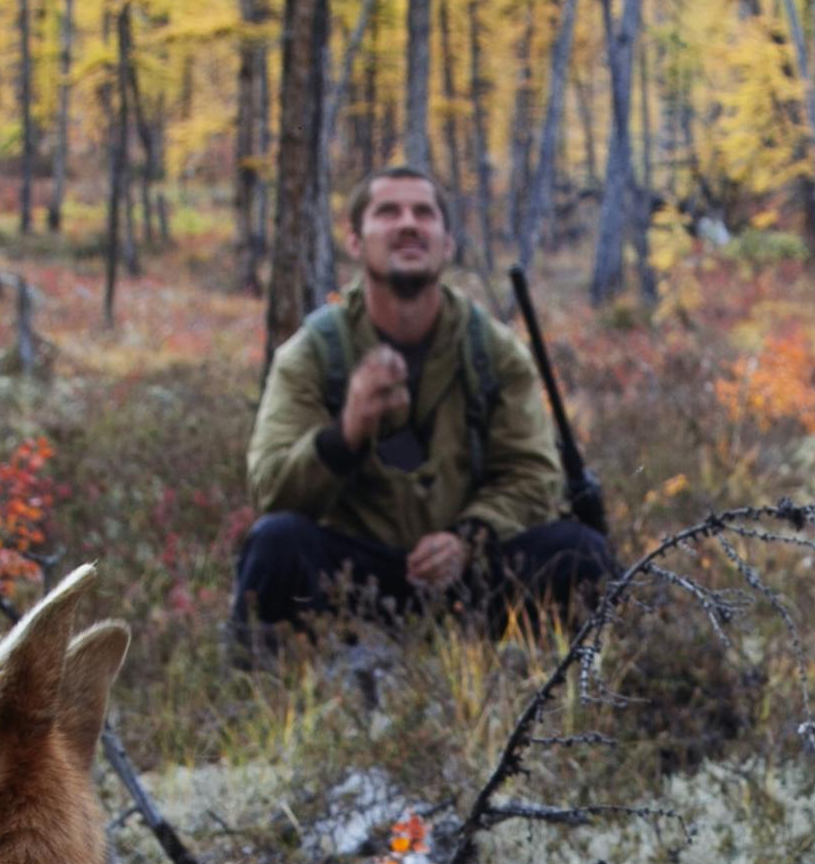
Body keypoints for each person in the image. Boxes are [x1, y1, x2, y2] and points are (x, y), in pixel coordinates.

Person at [236, 167, 613, 650]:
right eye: (388, 212)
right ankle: (269, 700)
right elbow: (270, 490)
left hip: (472, 578)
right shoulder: (311, 355)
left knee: (581, 553)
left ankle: (567, 698)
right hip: (352, 579)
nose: (408, 224)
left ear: (447, 243)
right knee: (276, 544)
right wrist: (344, 435)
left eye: (424, 213)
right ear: (354, 241)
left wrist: (468, 538)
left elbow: (533, 476)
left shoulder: (494, 352)